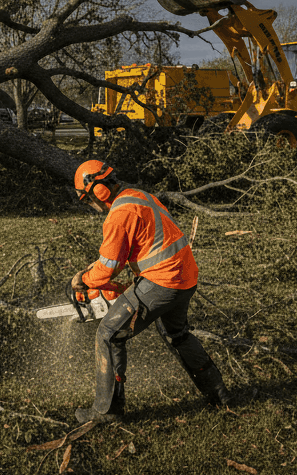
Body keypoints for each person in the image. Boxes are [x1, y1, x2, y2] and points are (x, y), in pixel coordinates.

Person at [70, 159, 231, 424]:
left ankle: (107, 411)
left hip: (162, 281)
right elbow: (140, 248)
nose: (91, 205)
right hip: (185, 277)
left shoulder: (119, 214)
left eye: (88, 200)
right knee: (178, 335)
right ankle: (219, 395)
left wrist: (84, 280)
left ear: (99, 190)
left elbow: (108, 268)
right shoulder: (139, 196)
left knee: (108, 334)